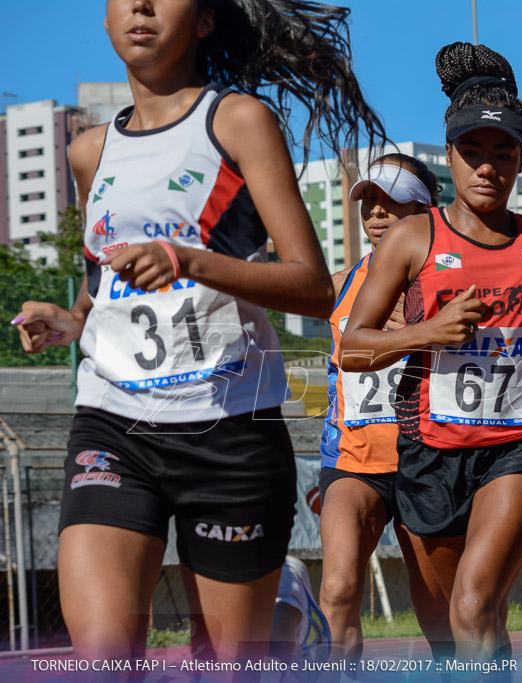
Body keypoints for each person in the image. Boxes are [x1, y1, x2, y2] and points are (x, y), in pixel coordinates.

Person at [11, 0, 384, 662]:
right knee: (103, 659)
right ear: (105, 21)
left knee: (227, 666)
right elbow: (104, 281)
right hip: (114, 421)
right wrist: (69, 321)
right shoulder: (89, 151)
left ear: (206, 20)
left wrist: (191, 261)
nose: (142, 6)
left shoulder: (236, 122)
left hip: (227, 428)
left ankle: (284, 609)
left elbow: (313, 283)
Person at [339, 42, 522, 660]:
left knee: (474, 604)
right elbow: (352, 347)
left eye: (502, 155)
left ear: (521, 161)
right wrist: (425, 332)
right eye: (472, 153)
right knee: (451, 629)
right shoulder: (410, 238)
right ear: (449, 154)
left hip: (520, 442)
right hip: (430, 446)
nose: (487, 168)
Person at [319, 153, 452, 660]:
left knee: (441, 611)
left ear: (424, 209)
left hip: (429, 460)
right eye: (369, 202)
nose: (376, 213)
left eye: (391, 202)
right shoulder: (338, 286)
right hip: (353, 459)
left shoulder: (447, 282)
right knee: (337, 591)